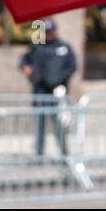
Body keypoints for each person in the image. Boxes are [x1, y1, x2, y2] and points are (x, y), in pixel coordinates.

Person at [19, 19, 77, 157]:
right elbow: (24, 60)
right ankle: (39, 154)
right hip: (40, 90)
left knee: (59, 124)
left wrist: (60, 80)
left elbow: (72, 67)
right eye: (45, 32)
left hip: (57, 91)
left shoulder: (64, 47)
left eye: (50, 32)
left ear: (55, 31)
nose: (48, 35)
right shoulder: (37, 46)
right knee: (39, 123)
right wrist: (26, 68)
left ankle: (64, 155)